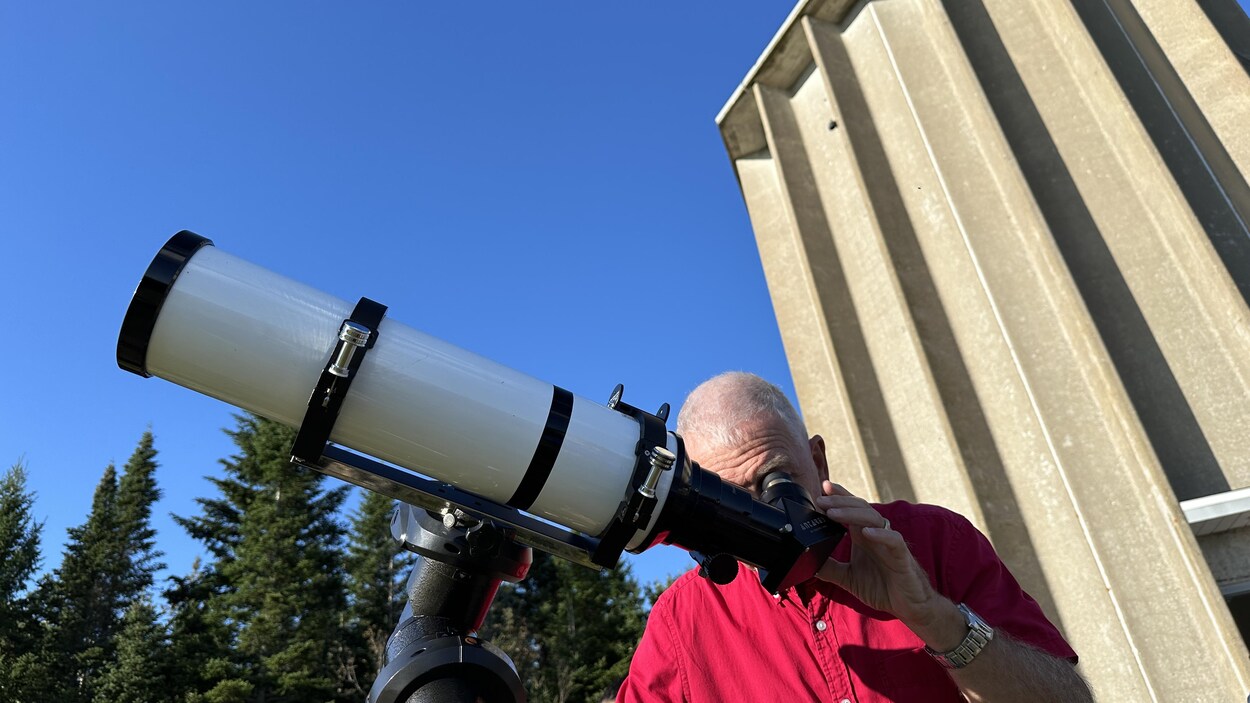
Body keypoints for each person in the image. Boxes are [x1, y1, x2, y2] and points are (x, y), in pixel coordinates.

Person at [617, 372, 1093, 702]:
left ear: (818, 461)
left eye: (776, 481)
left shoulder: (932, 540)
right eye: (728, 499)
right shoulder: (684, 619)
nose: (760, 517)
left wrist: (932, 617)